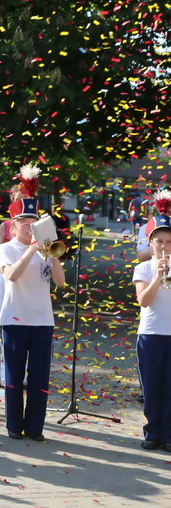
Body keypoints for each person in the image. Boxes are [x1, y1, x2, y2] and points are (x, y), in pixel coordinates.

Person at [0, 167, 65, 442]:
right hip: (15, 319)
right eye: (24, 222)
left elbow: (60, 282)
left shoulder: (45, 250)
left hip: (42, 320)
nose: (29, 226)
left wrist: (53, 255)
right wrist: (33, 249)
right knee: (14, 377)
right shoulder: (6, 249)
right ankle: (14, 425)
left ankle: (35, 427)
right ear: (13, 225)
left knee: (39, 378)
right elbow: (11, 275)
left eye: (33, 221)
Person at [133, 191, 171, 451]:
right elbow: (144, 301)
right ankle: (152, 433)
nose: (164, 246)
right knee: (151, 386)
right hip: (150, 333)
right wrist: (158, 275)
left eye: (169, 241)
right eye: (159, 241)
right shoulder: (143, 268)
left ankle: (168, 435)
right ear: (150, 242)